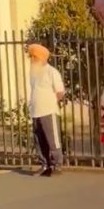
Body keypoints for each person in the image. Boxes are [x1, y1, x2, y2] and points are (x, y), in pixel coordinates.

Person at [27, 43, 65, 176]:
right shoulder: (34, 73)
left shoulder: (52, 72)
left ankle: (56, 166)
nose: (31, 59)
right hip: (35, 112)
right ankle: (44, 165)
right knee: (39, 140)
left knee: (53, 140)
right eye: (30, 56)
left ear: (42, 58)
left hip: (48, 111)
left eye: (34, 57)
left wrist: (50, 101)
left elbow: (60, 92)